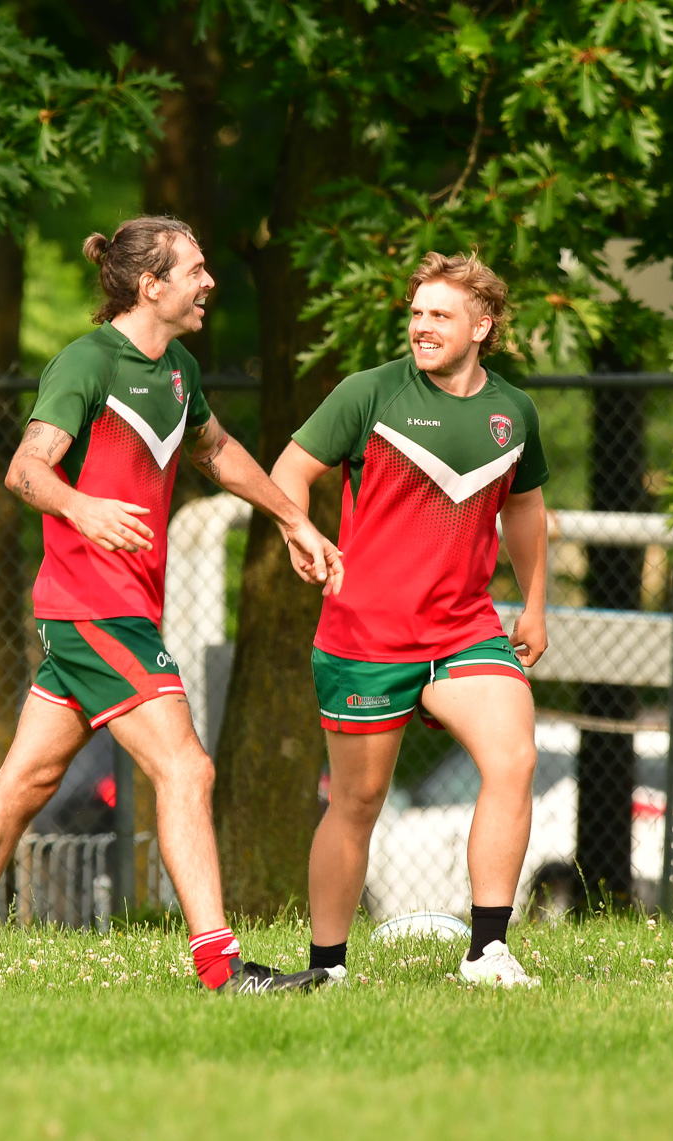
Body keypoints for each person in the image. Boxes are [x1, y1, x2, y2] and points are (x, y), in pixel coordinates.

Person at [0, 216, 344, 999]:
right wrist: (80, 508)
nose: (209, 282)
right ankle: (221, 969)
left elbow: (217, 450)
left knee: (19, 788)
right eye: (196, 269)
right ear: (152, 285)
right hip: (92, 610)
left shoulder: (175, 369)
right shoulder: (85, 363)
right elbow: (27, 469)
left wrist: (292, 517)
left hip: (118, 610)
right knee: (187, 765)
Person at [270, 251, 549, 988]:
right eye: (417, 313)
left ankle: (487, 951)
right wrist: (300, 530)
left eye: (440, 315)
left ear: (482, 325)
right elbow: (288, 472)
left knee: (514, 758)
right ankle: (326, 967)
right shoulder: (368, 395)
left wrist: (537, 602)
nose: (422, 327)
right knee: (357, 801)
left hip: (465, 630)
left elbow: (524, 507)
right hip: (365, 634)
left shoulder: (513, 412)